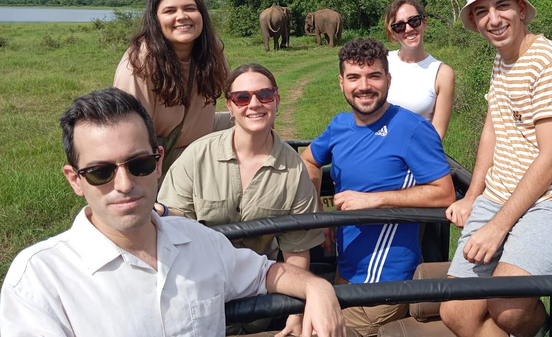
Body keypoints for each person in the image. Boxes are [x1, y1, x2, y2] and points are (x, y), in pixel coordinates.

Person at [0, 88, 344, 337]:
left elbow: (268, 273)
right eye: (100, 172)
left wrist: (318, 290)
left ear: (159, 162)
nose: (124, 184)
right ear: (75, 180)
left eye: (139, 164)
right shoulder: (41, 280)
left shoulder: (199, 241)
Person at [440, 0, 552, 337]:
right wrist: (474, 196)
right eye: (482, 12)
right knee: (456, 313)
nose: (493, 19)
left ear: (522, 9)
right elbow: (493, 128)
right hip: (499, 197)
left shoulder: (550, 64)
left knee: (509, 309)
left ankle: (549, 330)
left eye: (502, 6)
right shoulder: (502, 59)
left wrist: (499, 227)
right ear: (475, 22)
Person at [301, 38, 456, 336]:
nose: (364, 86)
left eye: (373, 76)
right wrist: (317, 211)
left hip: (383, 282)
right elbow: (309, 159)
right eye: (354, 77)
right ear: (341, 83)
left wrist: (373, 200)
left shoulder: (412, 128)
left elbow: (444, 192)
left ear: (388, 79)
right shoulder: (340, 125)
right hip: (345, 270)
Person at [158, 63, 325, 332]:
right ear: (231, 106)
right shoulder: (197, 156)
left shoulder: (294, 170)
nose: (255, 104)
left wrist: (294, 313)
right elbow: (171, 231)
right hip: (197, 290)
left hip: (259, 296)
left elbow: (296, 250)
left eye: (265, 95)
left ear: (277, 100)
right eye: (243, 97)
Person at [114, 0, 229, 172]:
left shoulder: (212, 49)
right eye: (170, 11)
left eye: (190, 8)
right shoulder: (139, 64)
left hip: (198, 138)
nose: (182, 16)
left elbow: (232, 89)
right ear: (155, 19)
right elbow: (128, 134)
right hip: (159, 155)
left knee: (257, 118)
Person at [383, 0, 455, 140]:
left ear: (424, 23)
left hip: (416, 154)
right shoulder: (382, 61)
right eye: (399, 26)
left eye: (414, 21)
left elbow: (436, 134)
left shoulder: (442, 73)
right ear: (393, 33)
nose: (408, 29)